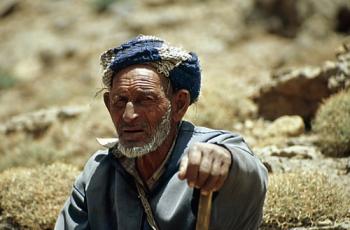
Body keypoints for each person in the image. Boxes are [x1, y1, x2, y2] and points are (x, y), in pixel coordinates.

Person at [55, 35, 268, 230]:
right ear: (108, 105)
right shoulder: (98, 172)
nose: (128, 116)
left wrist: (226, 161)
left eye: (145, 100)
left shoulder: (214, 147)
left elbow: (248, 172)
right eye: (119, 101)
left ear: (179, 105)